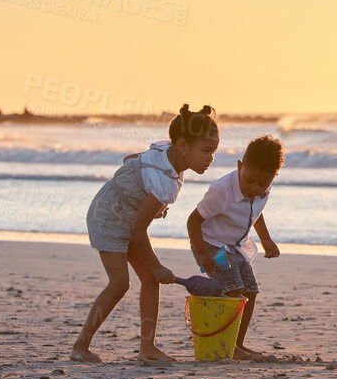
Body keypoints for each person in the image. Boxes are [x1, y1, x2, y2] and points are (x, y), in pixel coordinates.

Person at [70, 105, 221, 364]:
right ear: (183, 146)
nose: (210, 159)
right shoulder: (165, 182)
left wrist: (149, 204)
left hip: (126, 214)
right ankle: (80, 345)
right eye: (206, 151)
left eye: (213, 152)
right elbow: (138, 230)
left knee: (150, 280)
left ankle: (147, 349)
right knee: (120, 283)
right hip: (107, 216)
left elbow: (131, 159)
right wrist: (157, 265)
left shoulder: (165, 151)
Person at [188, 134, 284, 360]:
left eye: (262, 184)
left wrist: (266, 239)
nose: (254, 188)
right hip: (209, 245)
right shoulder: (222, 191)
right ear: (240, 166)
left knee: (250, 290)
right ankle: (228, 344)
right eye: (249, 181)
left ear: (273, 178)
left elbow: (255, 213)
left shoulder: (262, 191)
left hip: (234, 246)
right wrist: (202, 252)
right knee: (234, 289)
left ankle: (237, 344)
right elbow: (193, 220)